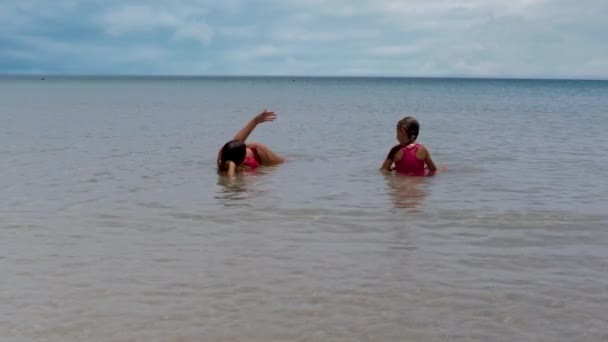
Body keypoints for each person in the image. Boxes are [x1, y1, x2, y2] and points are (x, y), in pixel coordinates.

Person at [217, 109, 285, 176]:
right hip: (244, 153)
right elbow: (231, 181)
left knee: (283, 163)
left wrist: (255, 121)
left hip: (259, 152)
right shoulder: (246, 171)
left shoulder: (222, 154)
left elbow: (237, 141)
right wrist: (232, 166)